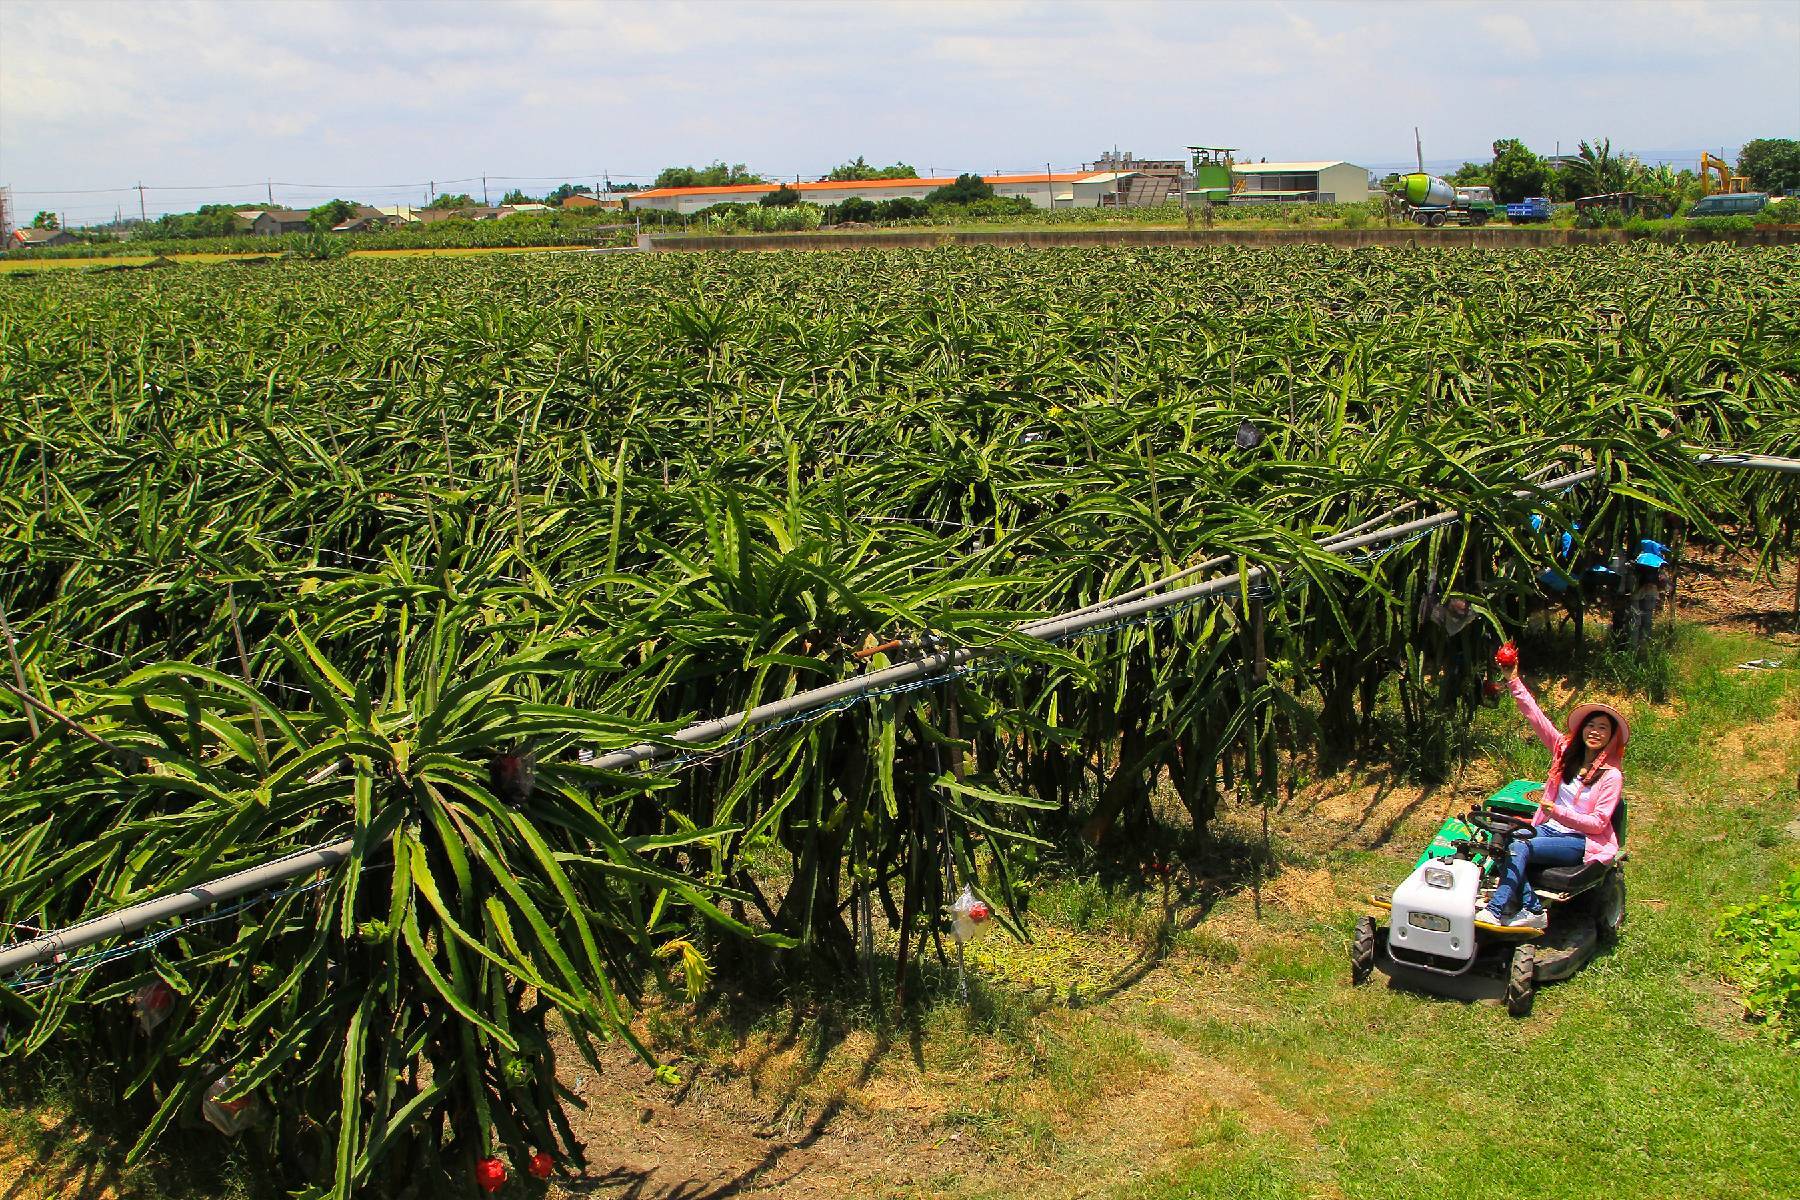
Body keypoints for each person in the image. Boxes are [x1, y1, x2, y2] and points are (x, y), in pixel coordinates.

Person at [1475, 655, 1627, 930]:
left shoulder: (1611, 777)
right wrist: (1513, 680)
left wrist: (1558, 811)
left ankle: (1496, 910)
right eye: (1591, 725)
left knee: (1519, 845)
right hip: (1547, 828)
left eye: (1603, 728)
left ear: (1611, 737)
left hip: (1579, 840)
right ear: (1582, 730)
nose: (1594, 731)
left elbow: (1598, 824)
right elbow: (1536, 717)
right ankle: (1531, 906)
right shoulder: (1564, 753)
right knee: (1500, 840)